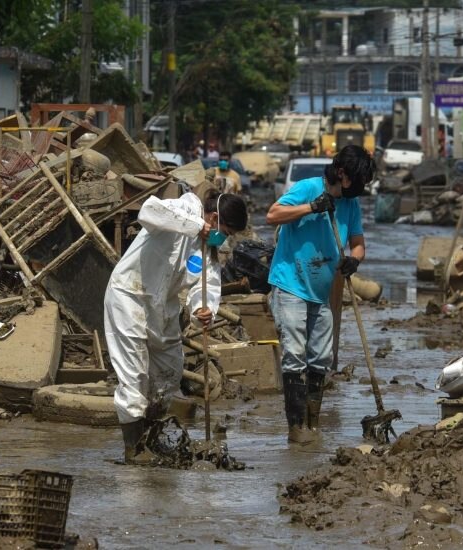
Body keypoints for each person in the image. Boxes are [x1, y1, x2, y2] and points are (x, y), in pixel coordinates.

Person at [104, 190, 248, 464]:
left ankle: (150, 434)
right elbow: (149, 211)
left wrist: (203, 310)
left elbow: (206, 286)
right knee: (134, 375)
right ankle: (133, 450)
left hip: (162, 309)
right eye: (225, 230)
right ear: (214, 218)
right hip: (129, 296)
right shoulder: (183, 208)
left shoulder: (208, 252)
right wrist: (195, 226)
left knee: (169, 373)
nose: (224, 237)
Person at [265, 144, 375, 444]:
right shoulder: (308, 188)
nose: (361, 188)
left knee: (321, 358)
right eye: (359, 180)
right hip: (291, 284)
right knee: (295, 355)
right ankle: (296, 427)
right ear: (342, 173)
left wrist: (355, 258)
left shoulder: (350, 205)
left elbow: (358, 242)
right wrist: (312, 207)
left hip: (322, 291)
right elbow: (272, 215)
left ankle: (313, 424)